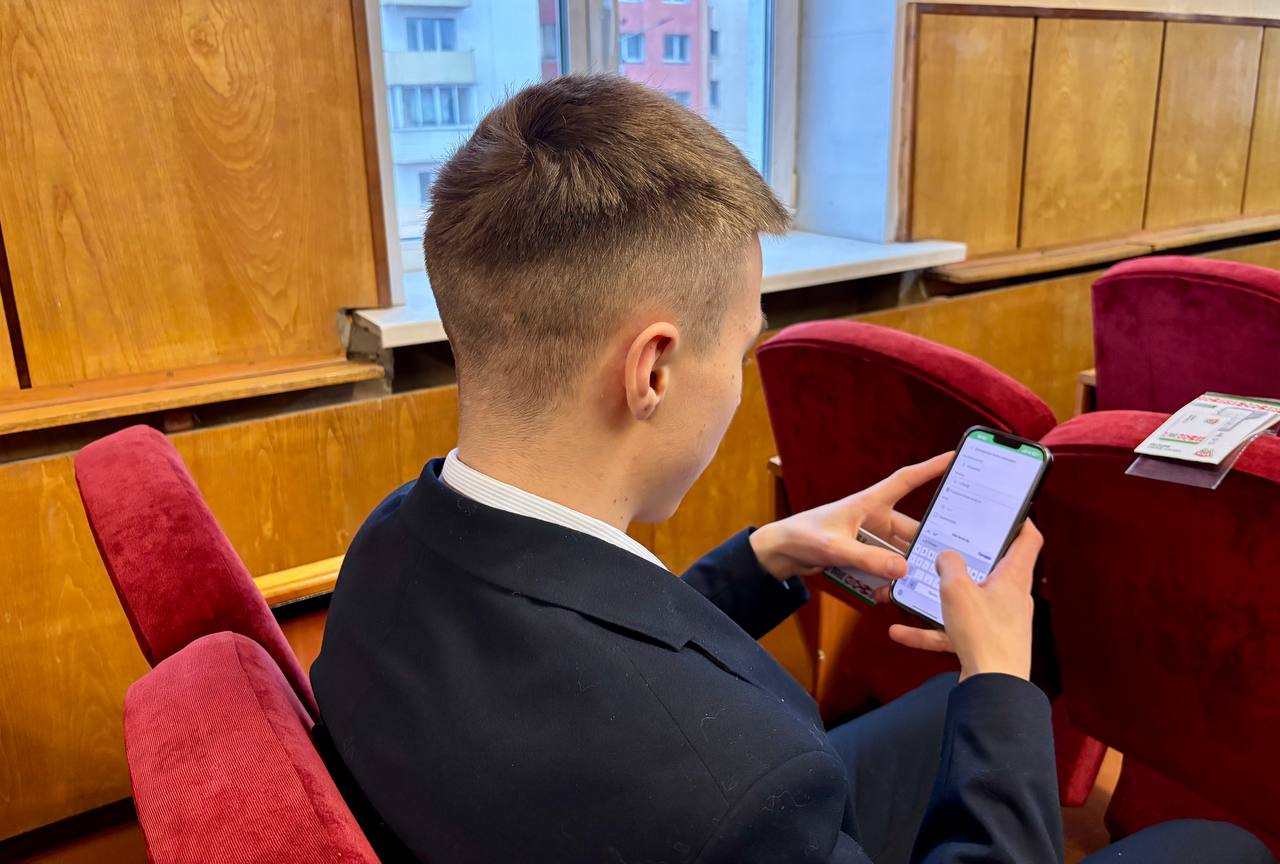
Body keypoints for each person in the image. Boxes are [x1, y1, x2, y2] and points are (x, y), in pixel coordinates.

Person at [311, 75, 1274, 864]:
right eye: (739, 350)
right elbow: (684, 743)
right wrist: (1001, 684)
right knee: (1210, 844)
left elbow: (588, 660)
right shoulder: (736, 788)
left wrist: (765, 554)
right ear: (653, 370)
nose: (738, 380)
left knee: (945, 713)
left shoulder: (388, 544)